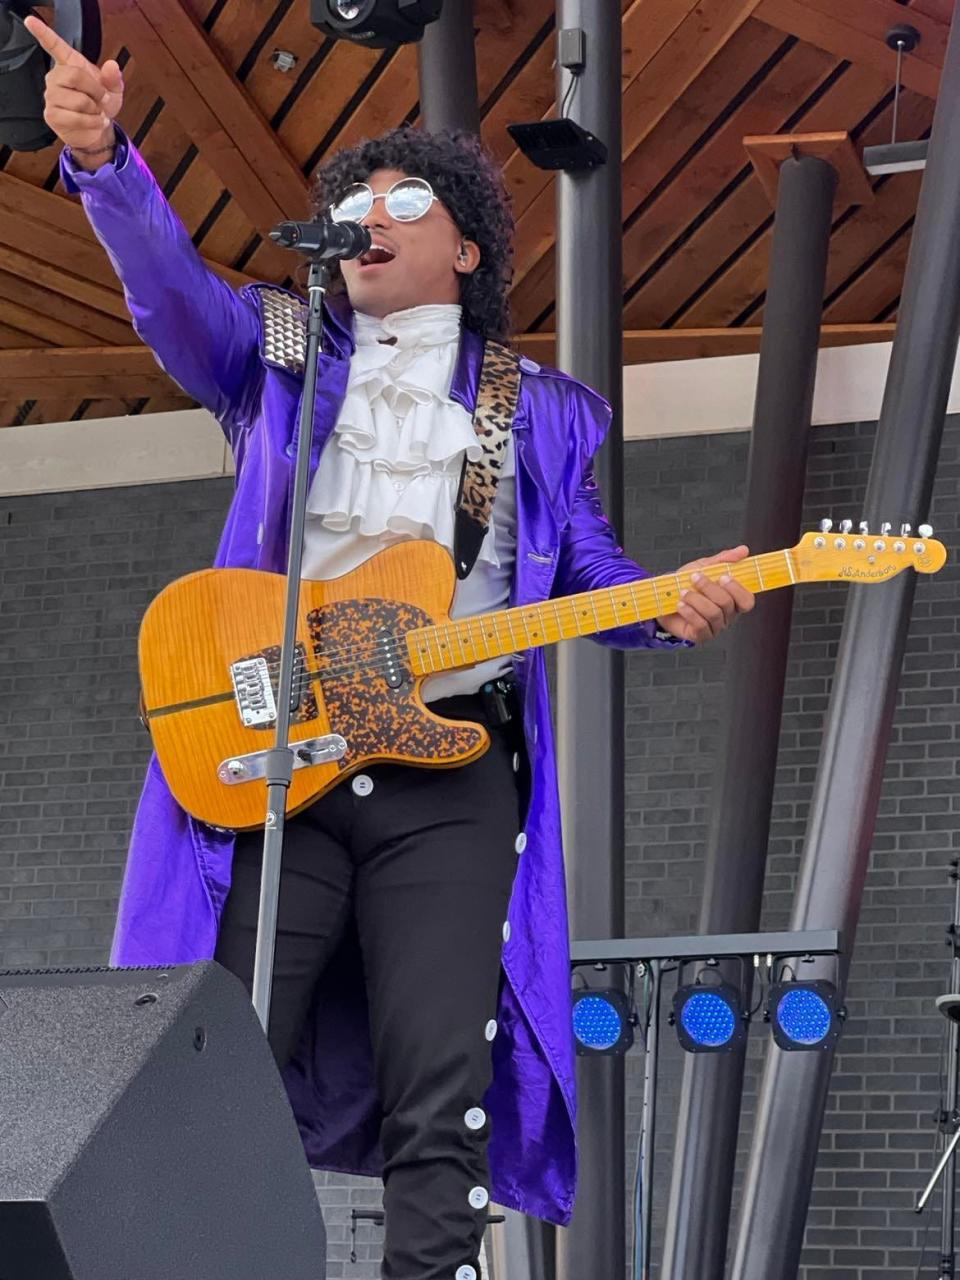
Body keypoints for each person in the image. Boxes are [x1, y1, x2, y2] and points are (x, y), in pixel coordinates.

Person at [29, 15, 755, 1280]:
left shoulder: (541, 409)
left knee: (444, 1071)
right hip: (278, 756)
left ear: (464, 245)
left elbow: (587, 572)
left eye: (403, 197)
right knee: (217, 1050)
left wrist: (674, 597)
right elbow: (167, 287)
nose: (369, 212)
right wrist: (107, 161)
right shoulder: (280, 350)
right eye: (351, 199)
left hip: (451, 773)